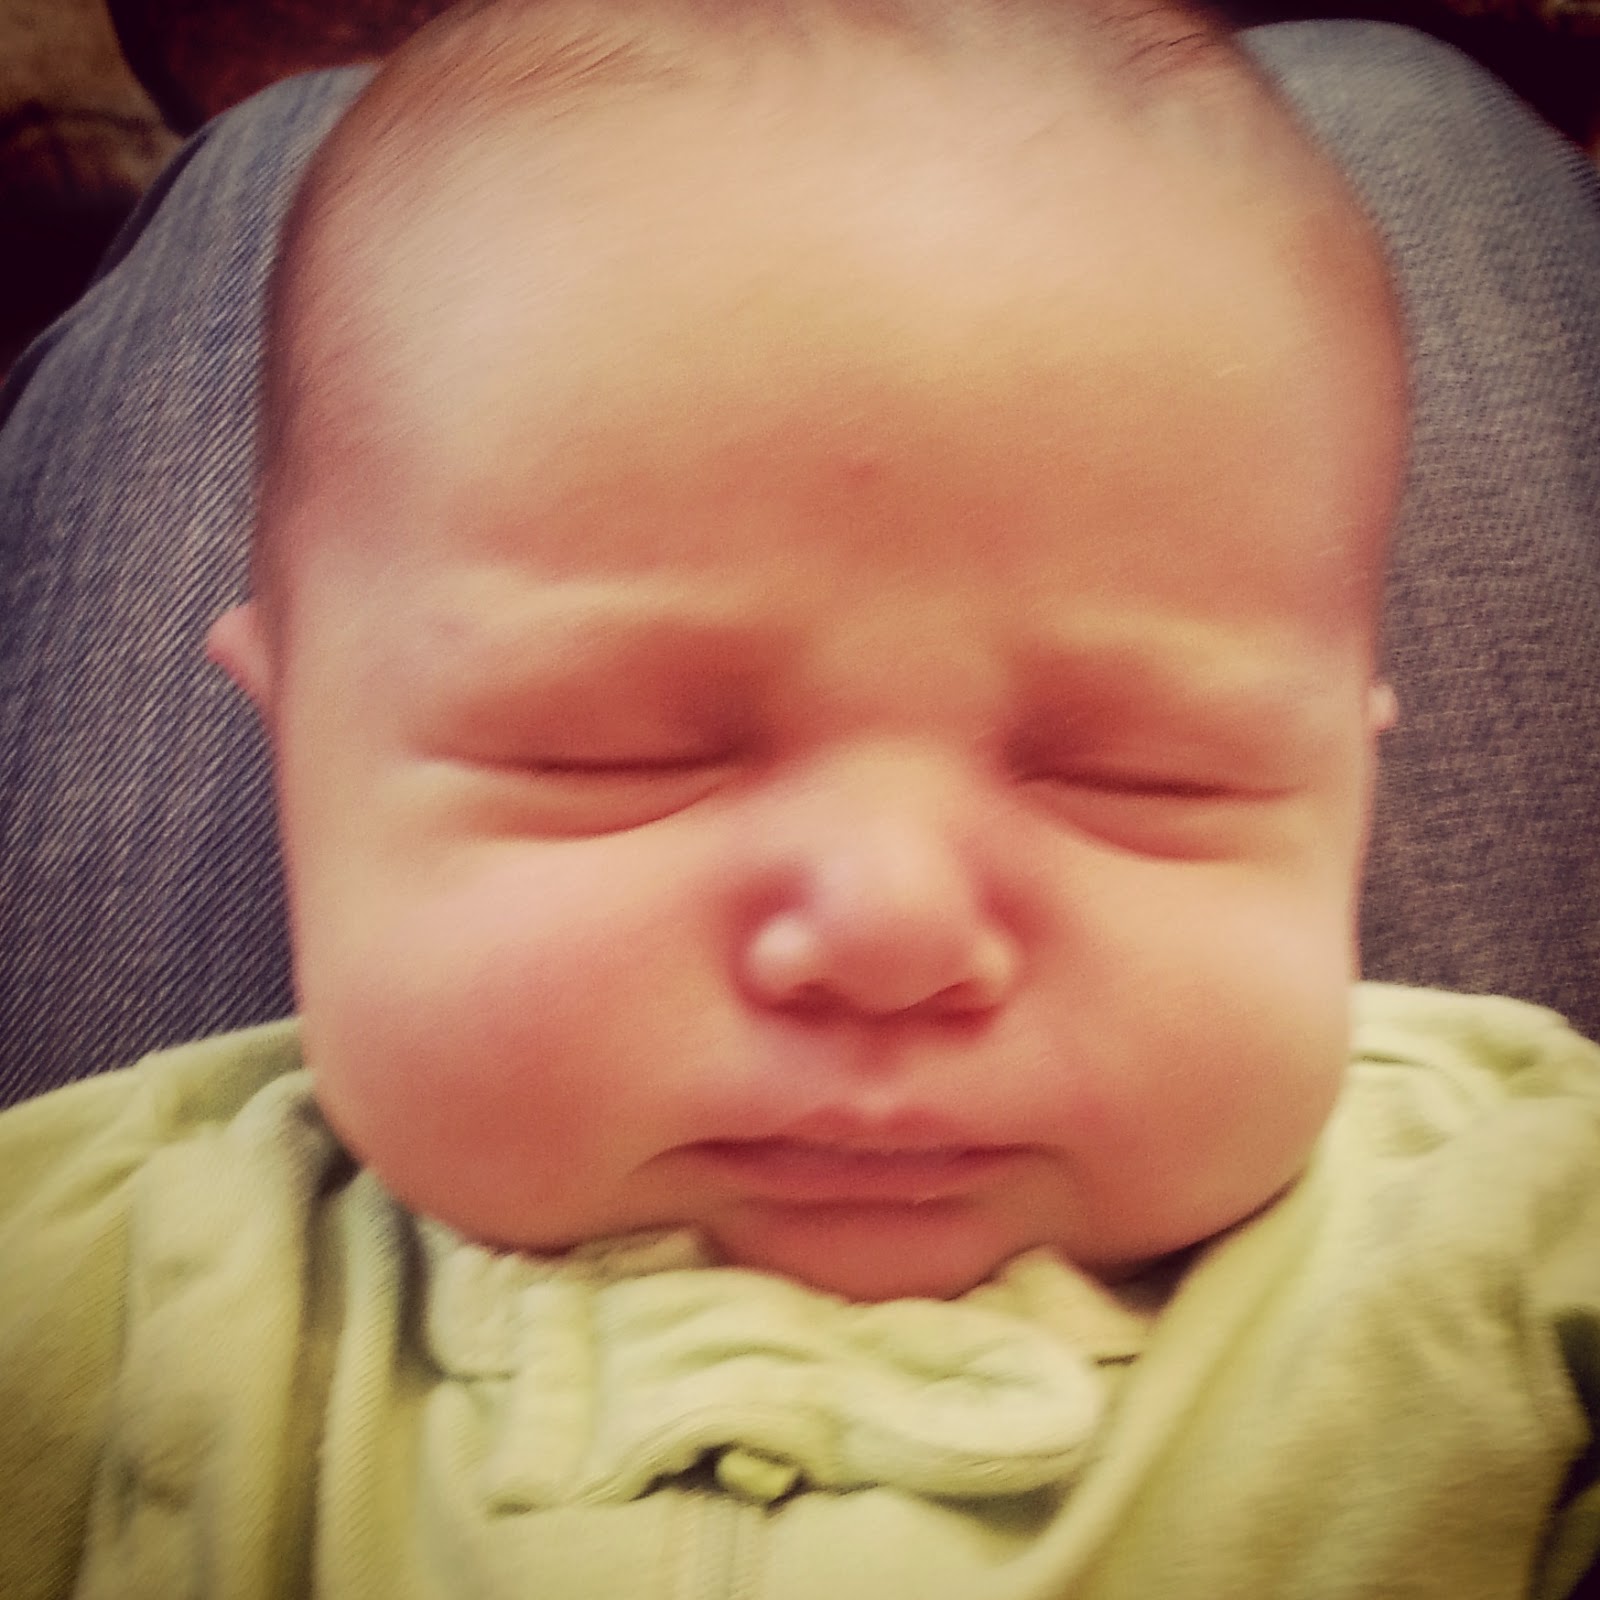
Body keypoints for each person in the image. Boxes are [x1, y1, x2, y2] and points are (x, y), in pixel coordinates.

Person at [0, 1, 1596, 1596]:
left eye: (1143, 772)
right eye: (610, 753)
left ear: (1351, 784)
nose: (892, 932)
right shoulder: (110, 1270)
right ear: (289, 746)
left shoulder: (1501, 1218)